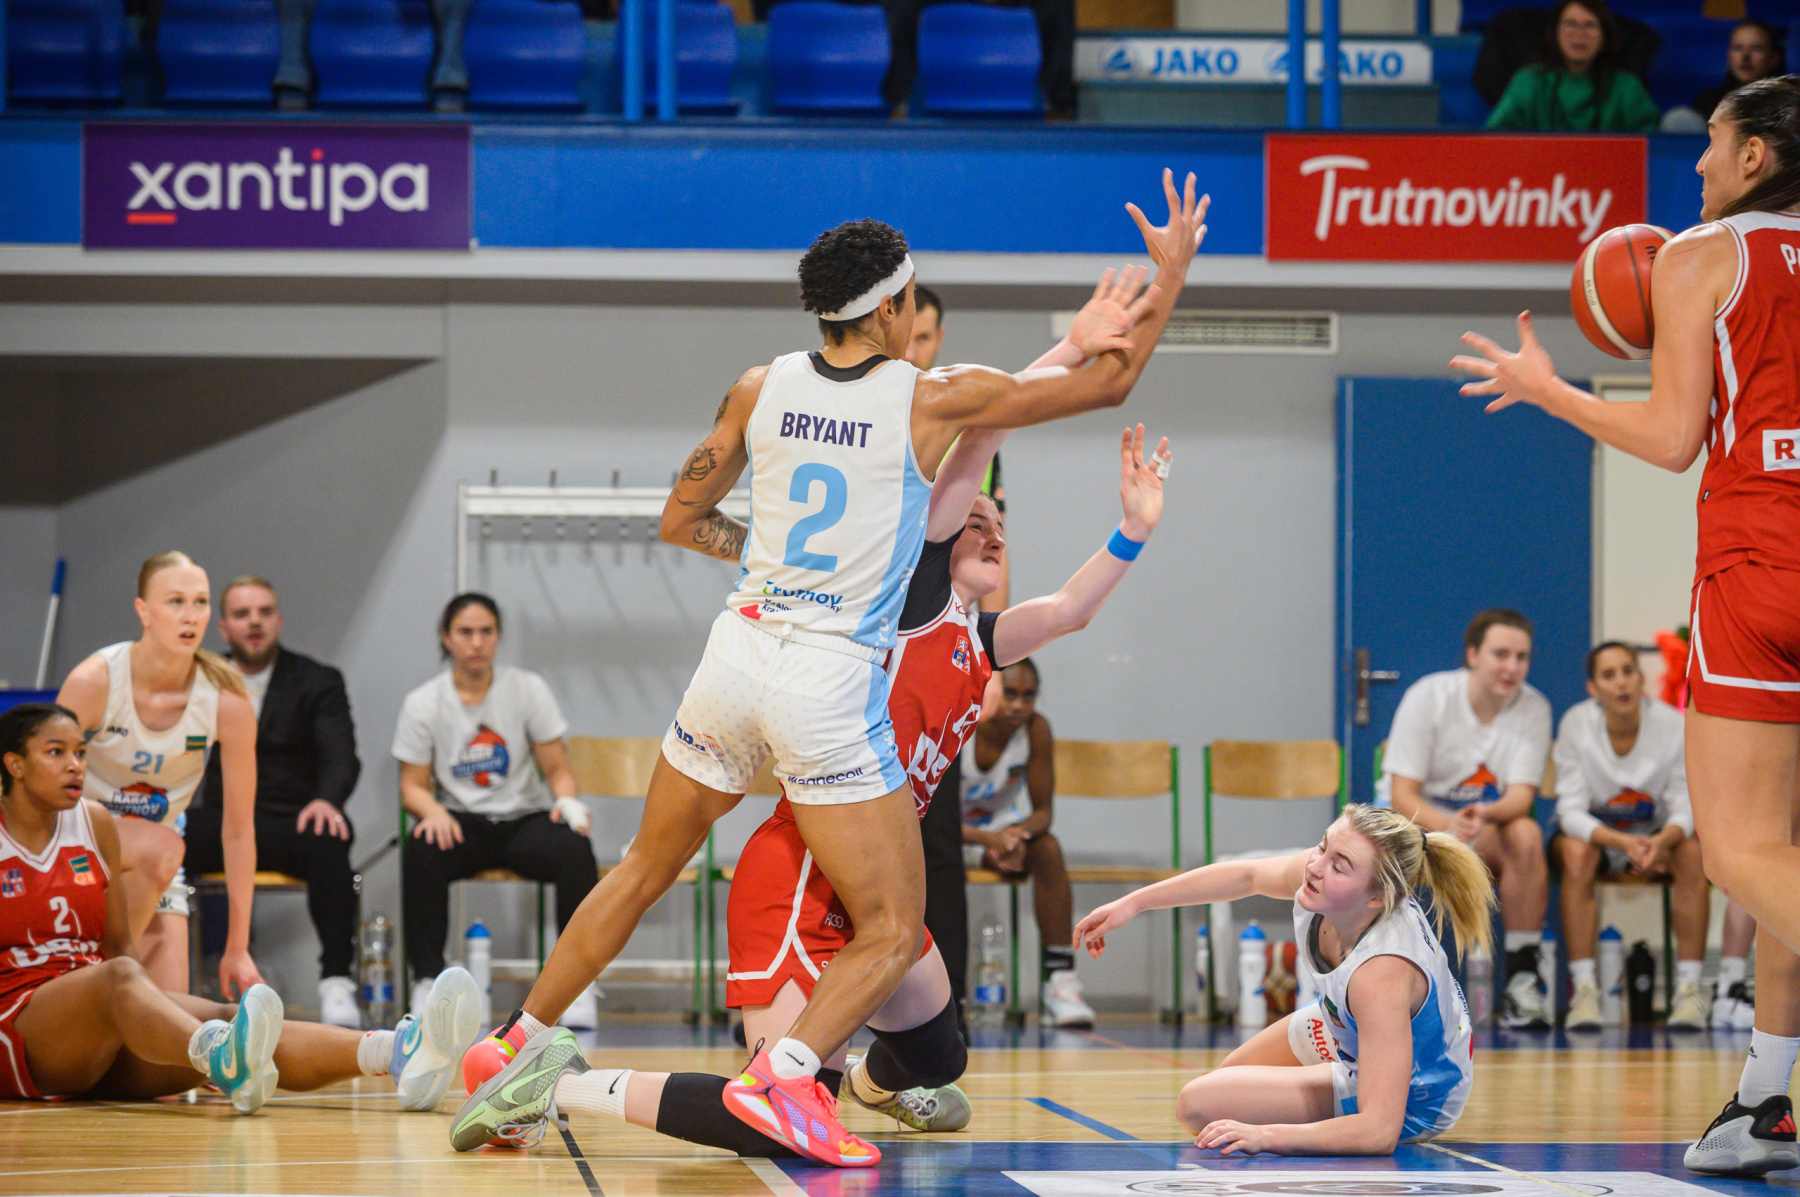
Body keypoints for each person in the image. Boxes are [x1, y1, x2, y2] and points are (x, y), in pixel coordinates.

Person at [451, 173, 1207, 1168]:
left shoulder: (758, 385)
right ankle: (789, 1076)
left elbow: (680, 519)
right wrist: (1170, 275)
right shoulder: (927, 398)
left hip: (737, 650)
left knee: (641, 866)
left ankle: (513, 1042)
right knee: (894, 924)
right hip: (823, 678)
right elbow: (1111, 384)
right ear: (893, 308)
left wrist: (773, 565)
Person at [1450, 74, 1800, 1176]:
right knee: (1785, 855)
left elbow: (1671, 437)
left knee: (1740, 851)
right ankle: (1766, 1100)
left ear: (1756, 156)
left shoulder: (1703, 253)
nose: (1696, 163)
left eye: (1713, 142)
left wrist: (1548, 389)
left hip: (1760, 561)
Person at [0, 703, 479, 1113]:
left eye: (81, 753)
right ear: (15, 765)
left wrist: (148, 1013)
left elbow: (119, 944)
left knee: (235, 1019)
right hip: (22, 1024)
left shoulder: (95, 823)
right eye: (56, 753)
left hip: (98, 1006)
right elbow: (117, 971)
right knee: (122, 979)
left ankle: (399, 1053)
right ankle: (221, 1058)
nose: (75, 766)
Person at [1074, 805, 1495, 1155]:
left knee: (1199, 1104)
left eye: (1339, 865)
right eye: (1323, 846)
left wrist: (1268, 1136)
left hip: (1419, 1094)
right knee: (1226, 1086)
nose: (1315, 866)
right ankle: (1330, 1091)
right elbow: (1245, 876)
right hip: (1352, 1025)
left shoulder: (1380, 974)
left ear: (1376, 898)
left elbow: (1378, 1131)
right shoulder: (1327, 882)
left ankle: (1336, 1094)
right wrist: (1134, 904)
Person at [55, 551, 261, 997]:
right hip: (77, 849)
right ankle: (87, 980)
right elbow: (34, 786)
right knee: (164, 843)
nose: (191, 616)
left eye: (200, 602)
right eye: (175, 601)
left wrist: (237, 947)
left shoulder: (227, 699)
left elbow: (239, 830)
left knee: (170, 1029)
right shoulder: (95, 681)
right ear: (143, 611)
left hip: (157, 869)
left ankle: (94, 981)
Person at [394, 593, 600, 1028]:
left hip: (521, 819)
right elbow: (411, 786)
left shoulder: (527, 689)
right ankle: (427, 980)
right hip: (460, 821)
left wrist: (566, 800)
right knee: (421, 849)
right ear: (446, 638)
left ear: (498, 637)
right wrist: (432, 812)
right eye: (465, 632)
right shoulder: (423, 702)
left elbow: (557, 769)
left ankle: (576, 984)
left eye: (486, 632)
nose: (476, 642)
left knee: (574, 849)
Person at [185, 575, 363, 1027]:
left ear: (278, 621)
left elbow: (341, 755)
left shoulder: (318, 681)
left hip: (292, 820)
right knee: (163, 842)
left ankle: (337, 981)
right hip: (222, 820)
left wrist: (327, 800)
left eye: (264, 612)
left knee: (330, 837)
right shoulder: (199, 679)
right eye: (242, 614)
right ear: (223, 627)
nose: (254, 622)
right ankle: (163, 977)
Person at [1377, 609, 1552, 1029]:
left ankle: (1523, 979)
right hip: (1416, 826)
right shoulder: (1429, 696)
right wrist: (1447, 825)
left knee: (1526, 834)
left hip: (1483, 824)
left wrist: (1483, 814)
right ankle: (1384, 985)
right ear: (1473, 655)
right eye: (1501, 654)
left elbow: (1521, 796)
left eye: (1522, 657)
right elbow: (1402, 795)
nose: (1512, 667)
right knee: (1382, 843)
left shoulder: (1534, 707)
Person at [1553, 641, 1708, 1032]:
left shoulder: (1673, 725)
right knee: (1575, 853)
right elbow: (1569, 812)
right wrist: (1623, 844)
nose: (1621, 682)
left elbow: (1687, 805)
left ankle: (1689, 992)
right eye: (1609, 675)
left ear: (1641, 679)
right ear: (1593, 688)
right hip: (1601, 840)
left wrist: (1661, 842)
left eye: (1628, 671)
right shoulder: (1575, 724)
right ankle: (1584, 991)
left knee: (1693, 852)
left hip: (1658, 840)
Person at [960, 658, 1093, 1026]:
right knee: (929, 854)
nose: (1019, 705)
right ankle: (948, 991)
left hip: (999, 833)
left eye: (1029, 696)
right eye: (1010, 694)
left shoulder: (1036, 729)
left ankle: (1061, 983)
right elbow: (924, 818)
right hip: (948, 836)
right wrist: (988, 839)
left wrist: (1016, 837)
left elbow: (1043, 812)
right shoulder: (962, 722)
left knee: (1047, 848)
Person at [1484, 0, 1659, 133]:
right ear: (1555, 33)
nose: (1579, 34)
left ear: (1604, 37)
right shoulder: (1529, 82)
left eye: (1590, 25)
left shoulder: (1627, 87)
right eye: (1570, 24)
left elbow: (1654, 148)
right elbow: (1496, 138)